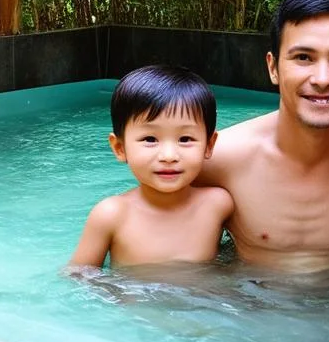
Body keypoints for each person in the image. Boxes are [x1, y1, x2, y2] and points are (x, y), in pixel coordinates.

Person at [198, 0, 329, 272]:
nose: (322, 78)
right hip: (248, 307)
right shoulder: (219, 157)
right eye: (303, 58)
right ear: (273, 67)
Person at [68, 65, 234, 269]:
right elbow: (79, 276)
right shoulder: (111, 215)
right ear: (120, 148)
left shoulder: (219, 205)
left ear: (209, 145)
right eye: (150, 139)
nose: (169, 156)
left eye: (185, 139)